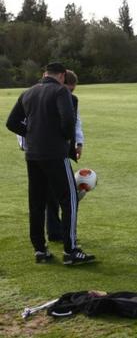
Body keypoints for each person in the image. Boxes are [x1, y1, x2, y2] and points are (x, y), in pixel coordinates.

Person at [6, 62, 96, 265]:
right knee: (69, 198)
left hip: (32, 154)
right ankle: (71, 250)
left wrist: (31, 134)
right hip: (55, 153)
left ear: (44, 73)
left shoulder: (28, 92)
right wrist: (63, 140)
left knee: (36, 202)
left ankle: (40, 250)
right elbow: (67, 121)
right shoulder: (59, 92)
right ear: (63, 76)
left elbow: (11, 122)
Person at [16, 69, 84, 242]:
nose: (70, 94)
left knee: (46, 198)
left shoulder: (66, 99)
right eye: (69, 90)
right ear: (61, 81)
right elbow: (25, 122)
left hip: (42, 152)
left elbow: (76, 122)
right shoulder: (45, 97)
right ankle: (68, 244)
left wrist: (77, 143)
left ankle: (46, 241)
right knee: (63, 198)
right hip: (49, 152)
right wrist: (32, 140)